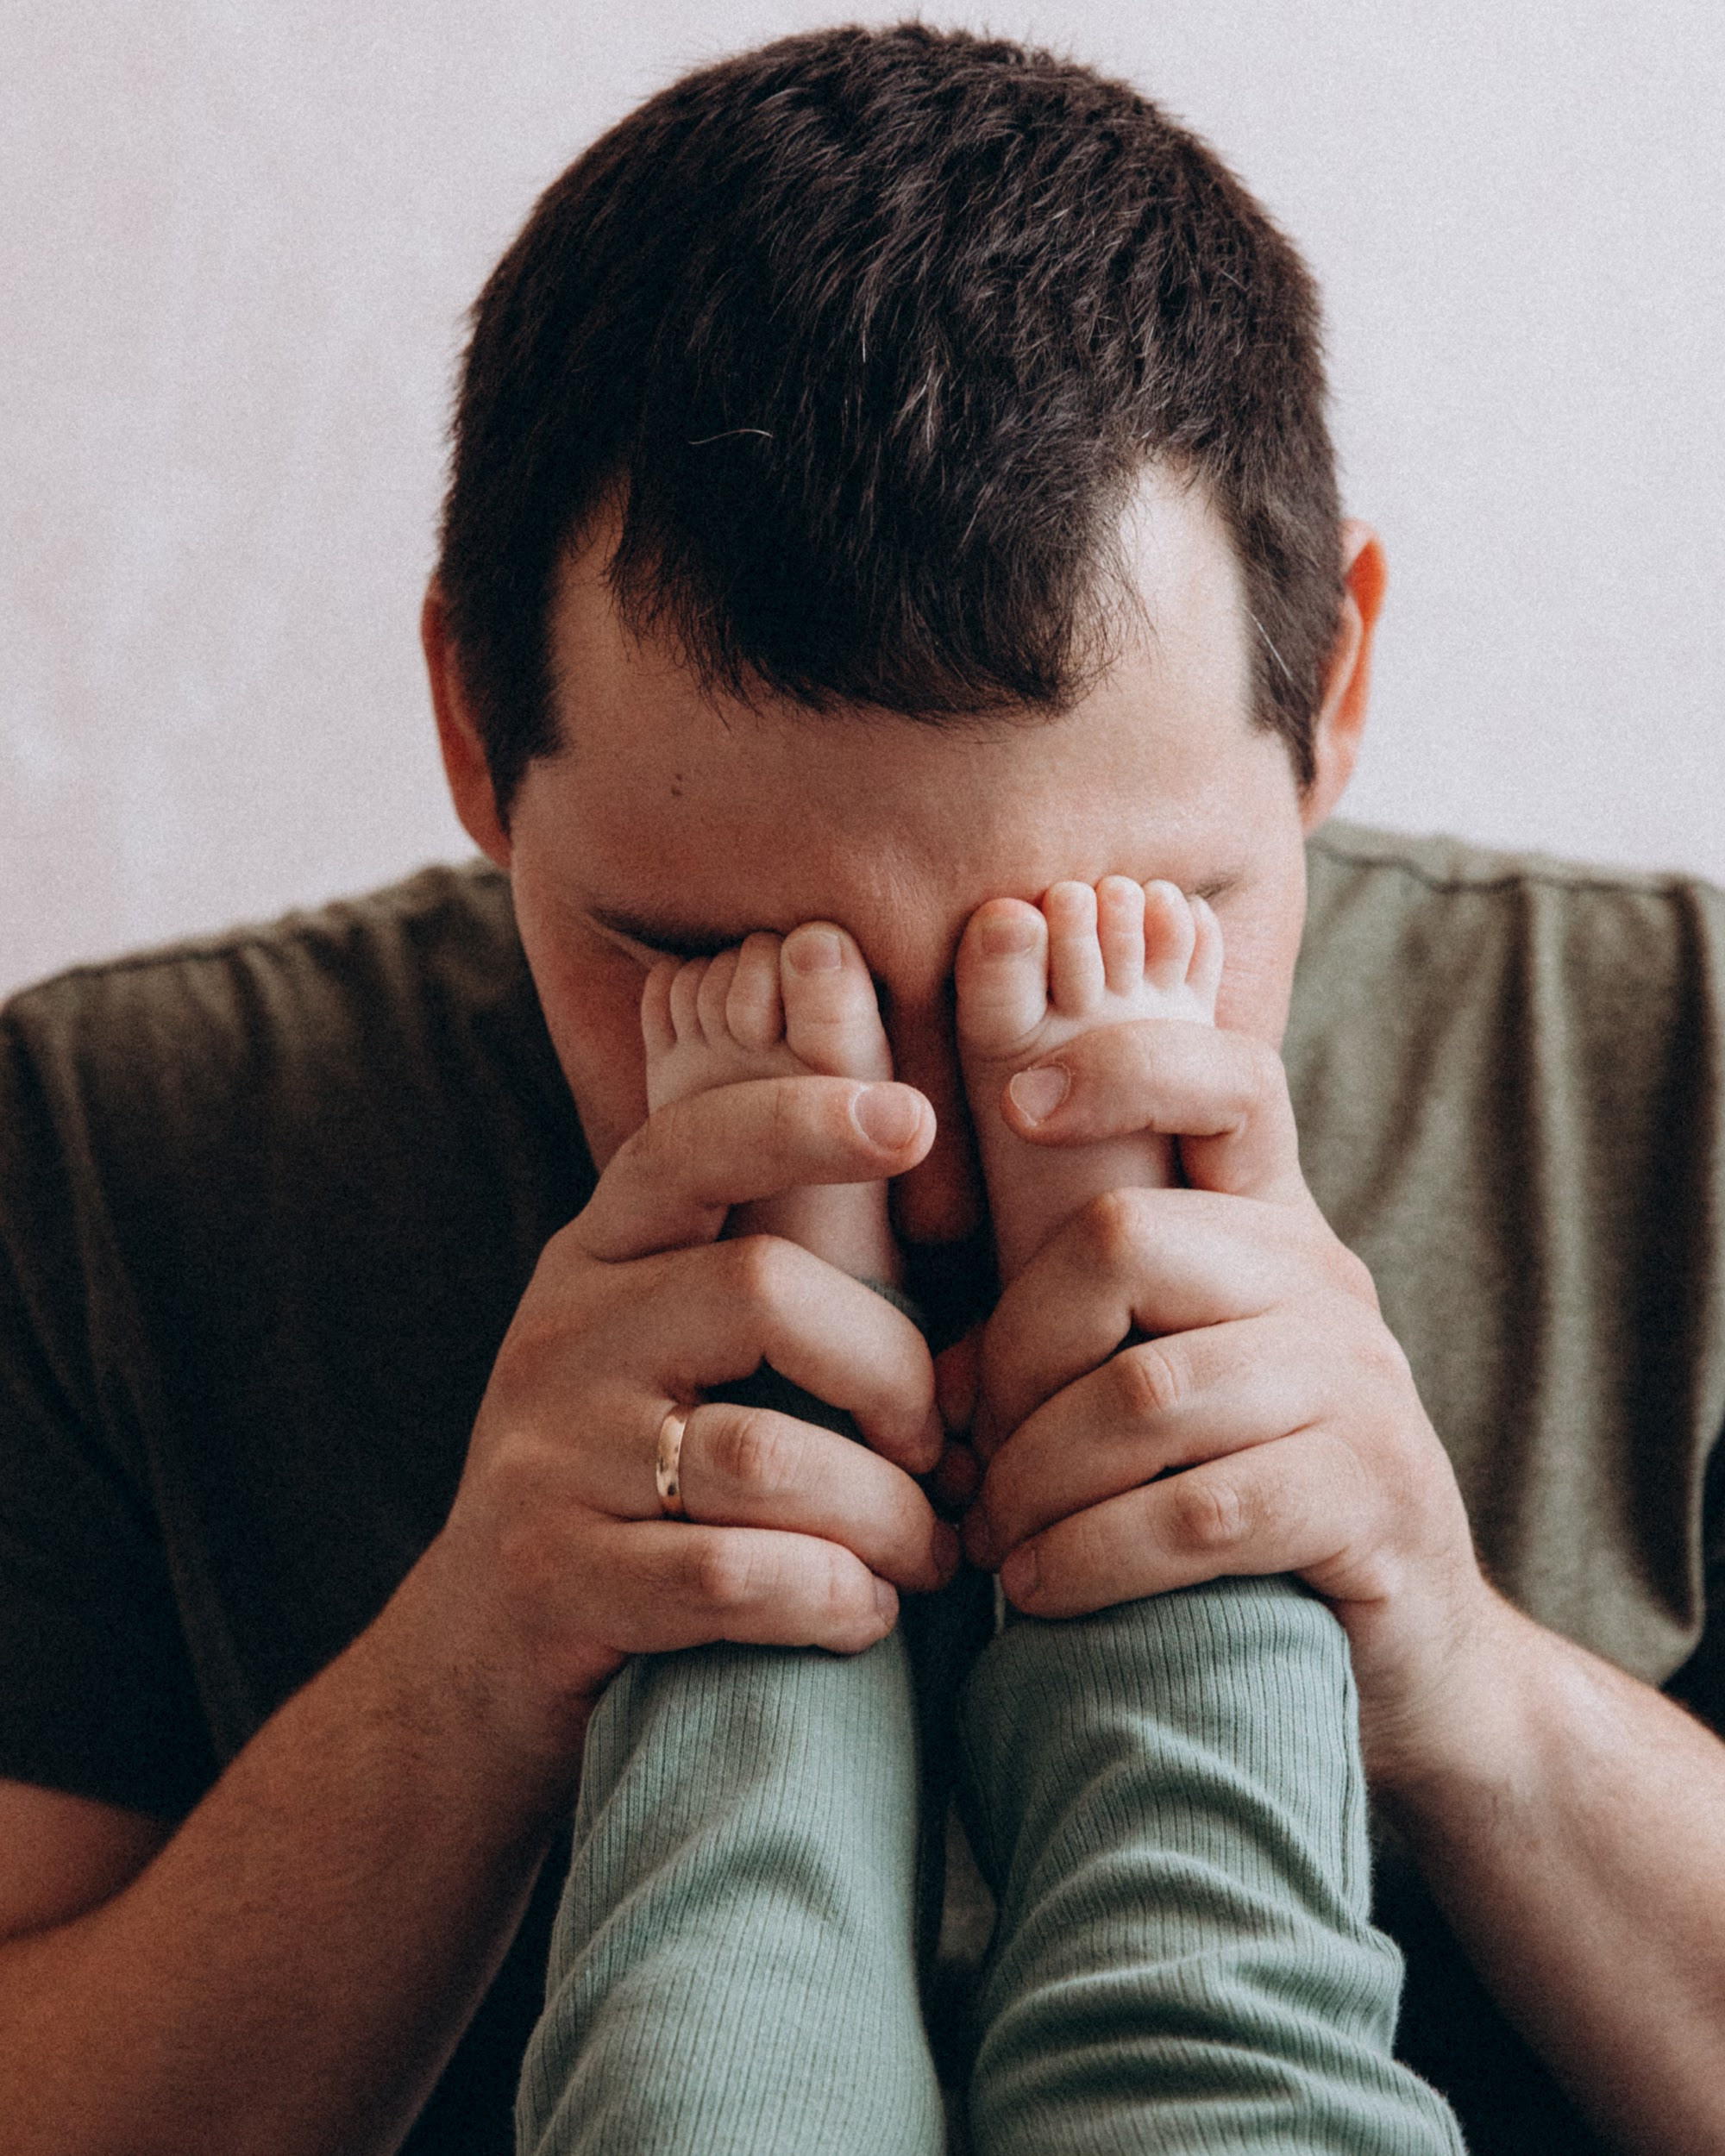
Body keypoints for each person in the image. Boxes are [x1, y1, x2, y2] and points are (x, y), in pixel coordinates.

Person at [1, 21, 1722, 2156]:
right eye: (711, 957)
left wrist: (1468, 1683)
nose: (913, 1143)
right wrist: (462, 1674)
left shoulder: (1681, 1070)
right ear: (470, 727)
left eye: (1124, 928)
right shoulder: (113, 1145)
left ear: (1336, 691)